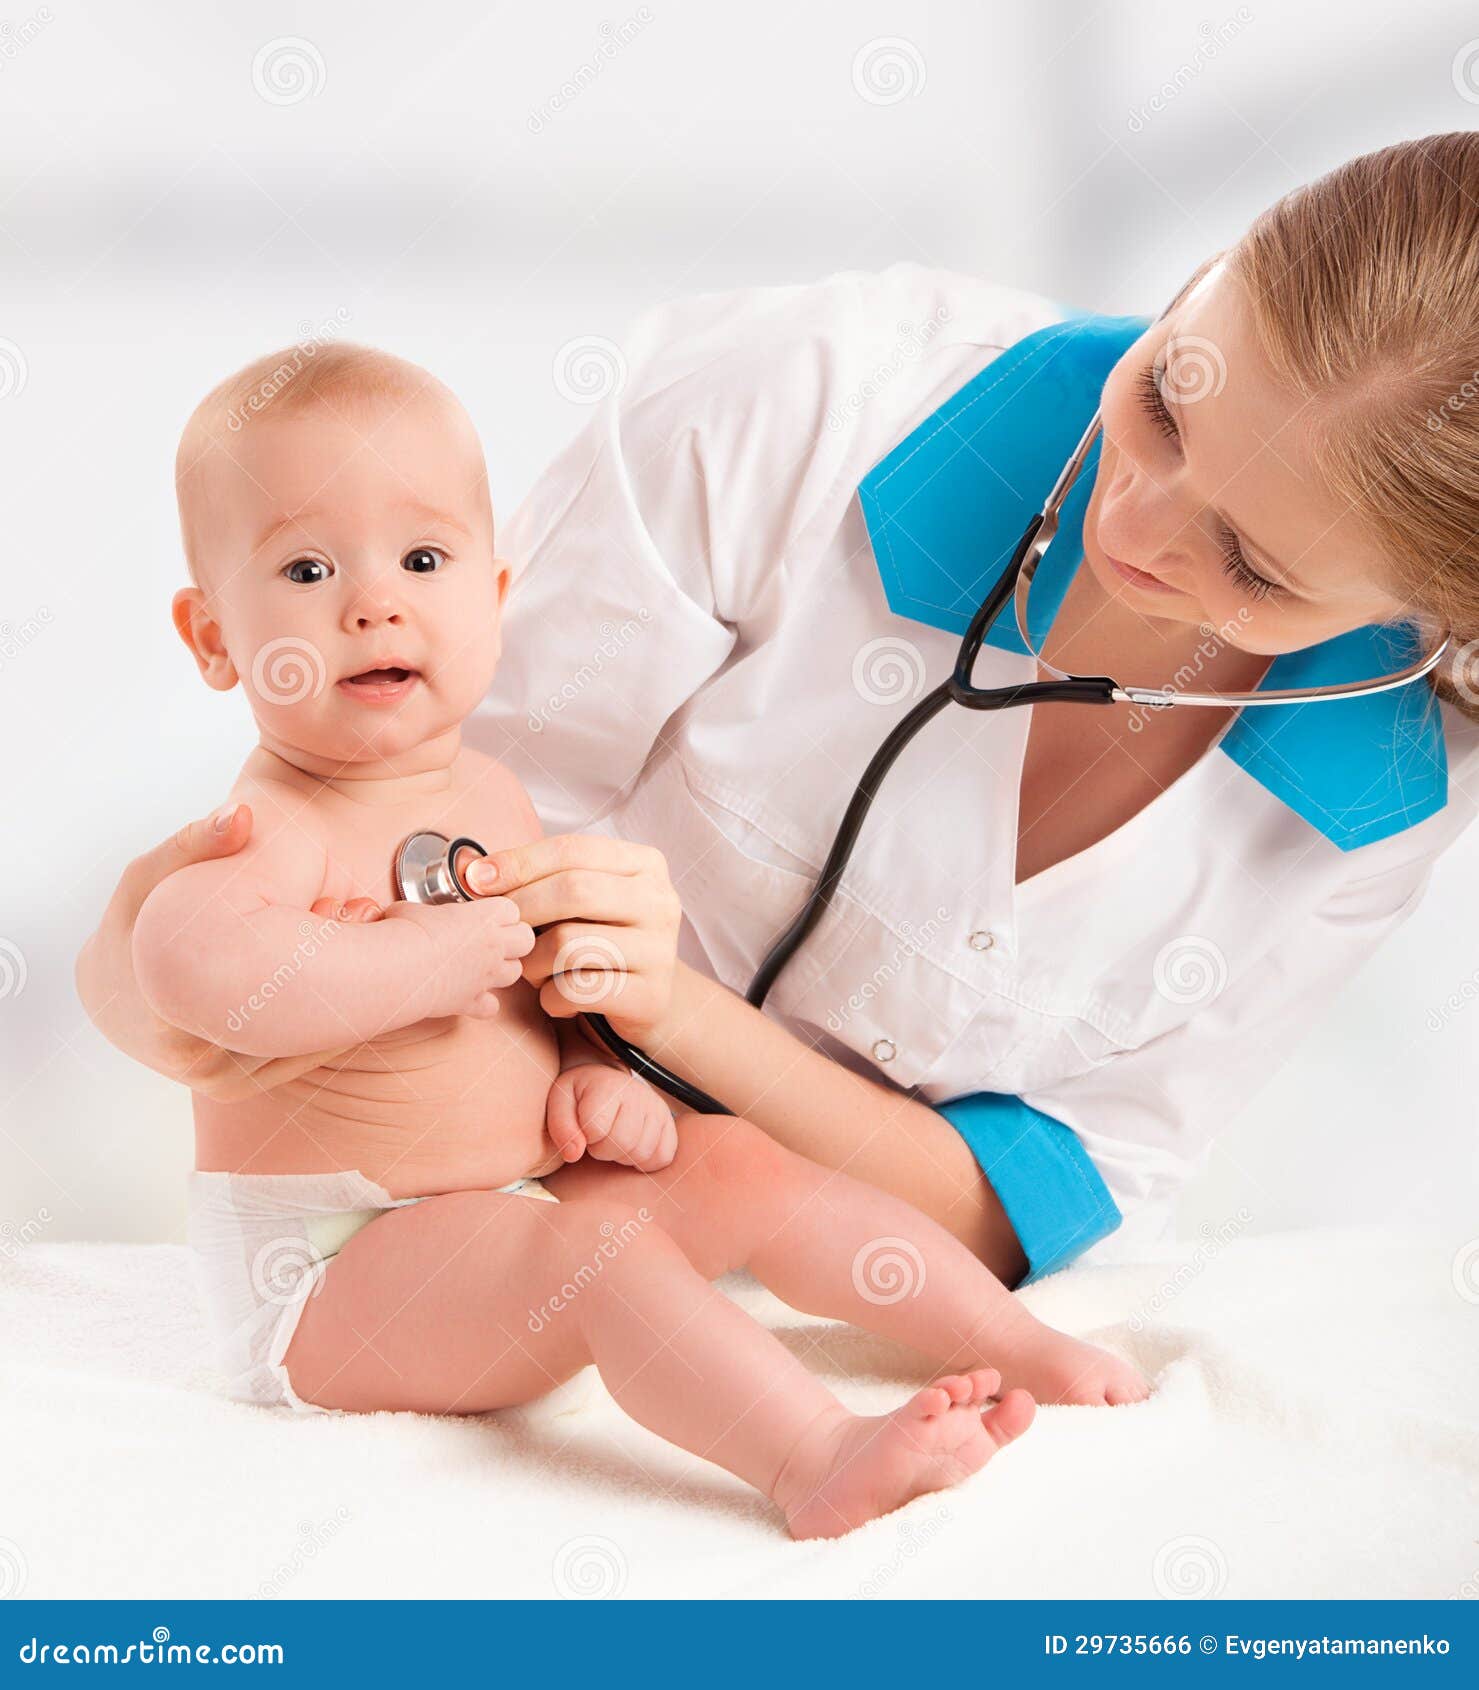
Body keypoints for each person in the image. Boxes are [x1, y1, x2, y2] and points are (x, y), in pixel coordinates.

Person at [79, 133, 1479, 1294]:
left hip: (849, 1297)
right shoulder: (807, 399)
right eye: (1170, 399)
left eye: (1253, 564)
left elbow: (1032, 1204)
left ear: (1421, 614)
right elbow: (391, 847)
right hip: (451, 1205)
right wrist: (174, 962)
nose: (1138, 517)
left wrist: (678, 1017)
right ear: (1201, 277)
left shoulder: (1388, 789)